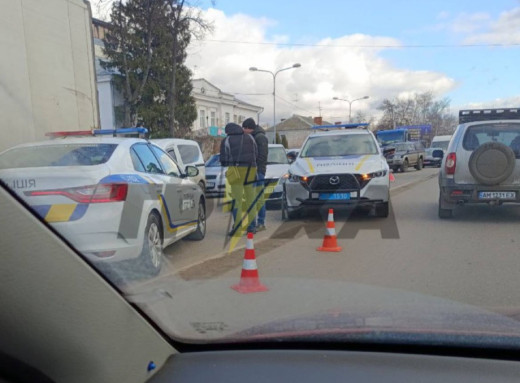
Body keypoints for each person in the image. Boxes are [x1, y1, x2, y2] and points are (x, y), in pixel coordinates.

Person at [220, 122, 257, 236]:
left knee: (237, 201)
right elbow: (256, 153)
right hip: (250, 170)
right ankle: (252, 227)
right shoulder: (250, 138)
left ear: (228, 131)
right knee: (251, 199)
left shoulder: (226, 140)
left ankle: (237, 228)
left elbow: (223, 159)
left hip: (235, 172)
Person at [242, 118, 268, 231]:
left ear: (249, 128)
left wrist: (256, 168)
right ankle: (255, 222)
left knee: (259, 198)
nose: (243, 130)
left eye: (244, 128)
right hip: (253, 171)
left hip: (258, 171)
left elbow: (262, 156)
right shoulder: (253, 136)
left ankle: (261, 222)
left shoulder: (260, 137)